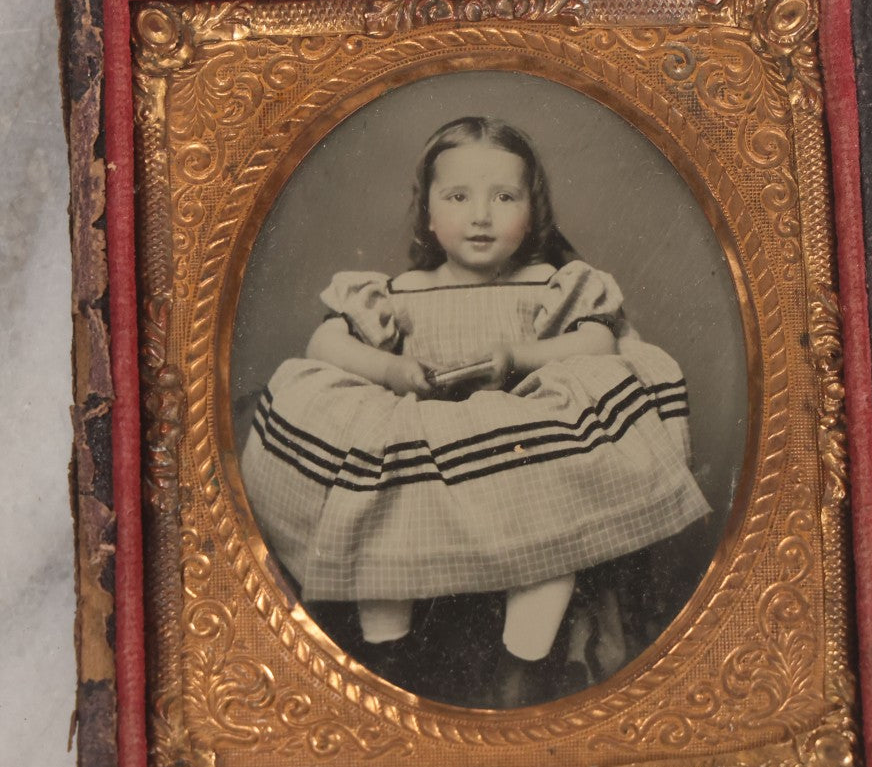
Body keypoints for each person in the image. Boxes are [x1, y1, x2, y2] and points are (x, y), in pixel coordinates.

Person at [241, 116, 710, 706]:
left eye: (504, 197)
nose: (481, 216)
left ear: (532, 213)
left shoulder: (550, 285)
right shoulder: (400, 294)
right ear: (429, 215)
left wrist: (516, 358)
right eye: (459, 197)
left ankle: (524, 662)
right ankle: (390, 653)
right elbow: (323, 345)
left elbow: (598, 344)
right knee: (381, 515)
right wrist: (392, 370)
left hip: (519, 463)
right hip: (425, 467)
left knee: (552, 525)